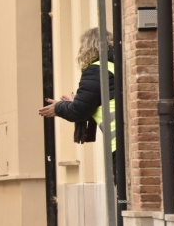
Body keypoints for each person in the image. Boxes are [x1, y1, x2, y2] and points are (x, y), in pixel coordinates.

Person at [38, 28, 117, 181]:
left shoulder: (97, 70)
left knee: (124, 199)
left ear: (89, 47)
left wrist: (58, 107)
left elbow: (80, 111)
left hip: (118, 142)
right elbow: (97, 100)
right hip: (128, 138)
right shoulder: (114, 65)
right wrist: (75, 102)